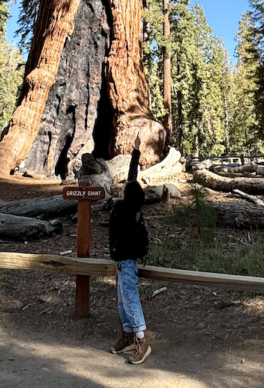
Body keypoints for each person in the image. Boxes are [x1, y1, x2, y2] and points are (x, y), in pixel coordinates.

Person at [108, 134, 151, 365]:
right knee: (122, 302)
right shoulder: (130, 204)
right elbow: (132, 177)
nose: (122, 185)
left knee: (130, 300)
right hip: (121, 261)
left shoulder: (125, 212)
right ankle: (127, 335)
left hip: (127, 262)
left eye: (124, 187)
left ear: (127, 194)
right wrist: (136, 151)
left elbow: (130, 184)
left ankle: (140, 342)